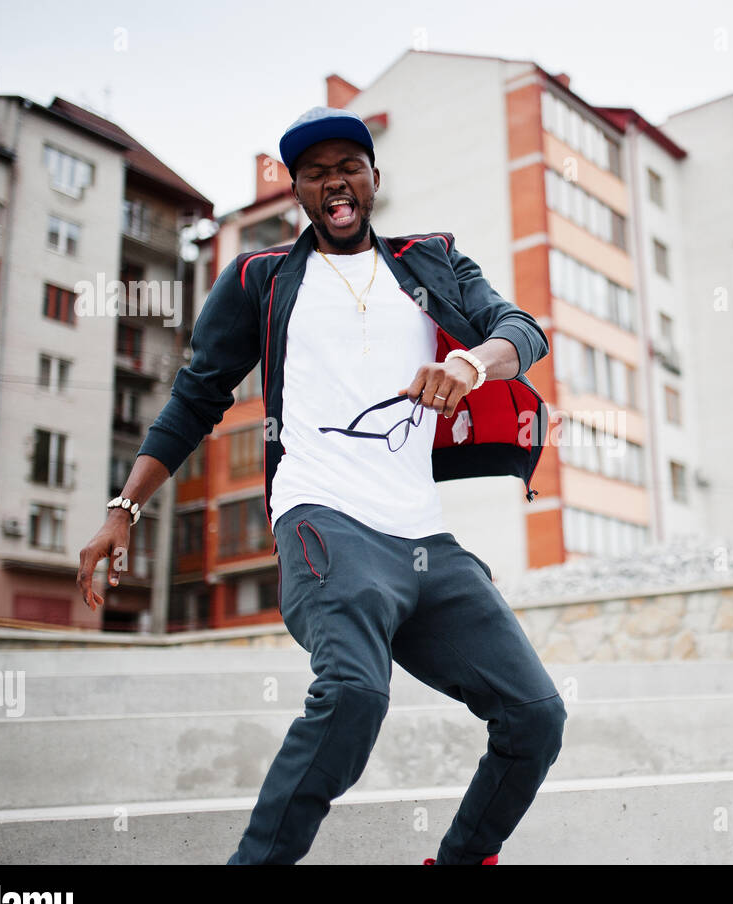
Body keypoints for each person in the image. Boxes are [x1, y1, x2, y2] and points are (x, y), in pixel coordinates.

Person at [77, 106, 566, 865]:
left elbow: (520, 329)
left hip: (424, 541)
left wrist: (471, 362)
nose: (333, 181)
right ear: (299, 191)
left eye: (348, 166)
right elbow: (196, 395)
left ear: (374, 180)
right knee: (354, 694)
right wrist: (123, 507)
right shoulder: (260, 279)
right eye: (314, 172)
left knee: (536, 714)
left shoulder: (431, 260)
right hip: (324, 523)